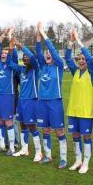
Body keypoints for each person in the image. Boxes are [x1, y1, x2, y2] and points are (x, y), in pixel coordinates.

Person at [64, 29, 93, 174]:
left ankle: (86, 162)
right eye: (80, 59)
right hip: (73, 110)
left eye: (84, 59)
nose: (82, 61)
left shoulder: (91, 73)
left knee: (86, 136)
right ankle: (77, 160)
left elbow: (91, 59)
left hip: (85, 112)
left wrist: (78, 40)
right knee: (75, 136)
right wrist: (70, 41)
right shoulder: (75, 71)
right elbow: (67, 57)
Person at [36, 22, 68, 169]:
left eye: (50, 53)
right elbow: (37, 52)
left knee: (59, 130)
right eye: (46, 53)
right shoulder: (43, 67)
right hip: (42, 102)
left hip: (55, 102)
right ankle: (47, 156)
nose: (48, 54)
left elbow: (53, 52)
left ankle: (63, 158)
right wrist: (38, 37)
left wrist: (44, 34)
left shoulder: (59, 66)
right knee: (45, 129)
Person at [6, 38, 42, 161]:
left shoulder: (35, 69)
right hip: (21, 101)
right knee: (22, 125)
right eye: (23, 56)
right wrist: (11, 49)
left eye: (26, 56)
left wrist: (20, 45)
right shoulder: (21, 69)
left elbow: (32, 57)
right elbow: (9, 63)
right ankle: (24, 149)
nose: (25, 58)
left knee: (32, 126)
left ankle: (38, 152)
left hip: (32, 100)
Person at [0, 27, 18, 155]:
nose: (3, 54)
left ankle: (12, 147)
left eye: (6, 53)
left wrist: (11, 39)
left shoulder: (11, 64)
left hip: (8, 96)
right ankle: (2, 145)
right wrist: (4, 34)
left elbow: (13, 53)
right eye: (2, 53)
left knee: (8, 121)